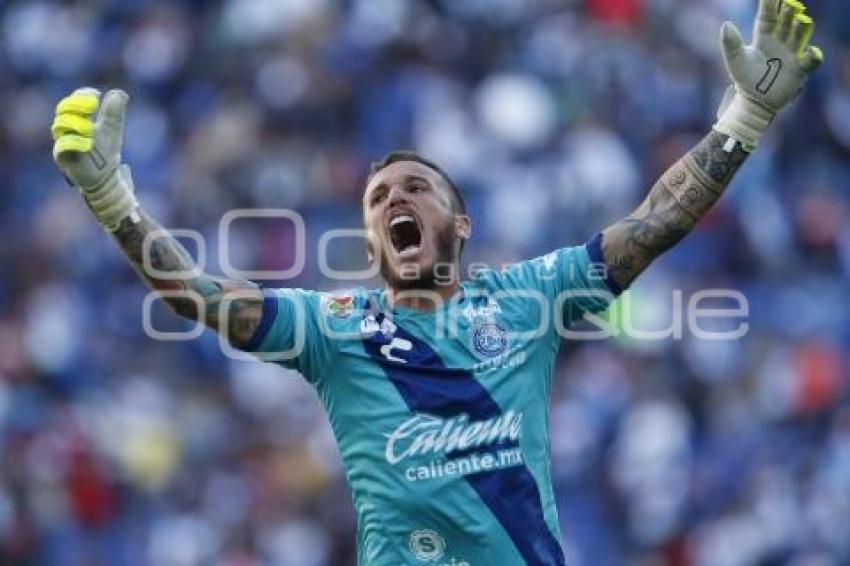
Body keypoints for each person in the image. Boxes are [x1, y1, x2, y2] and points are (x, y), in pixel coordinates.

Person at [49, 1, 822, 564]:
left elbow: (654, 224)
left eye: (418, 188)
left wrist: (744, 121)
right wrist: (115, 204)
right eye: (380, 199)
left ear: (461, 225)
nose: (396, 201)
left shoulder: (527, 299)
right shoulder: (333, 326)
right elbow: (202, 297)